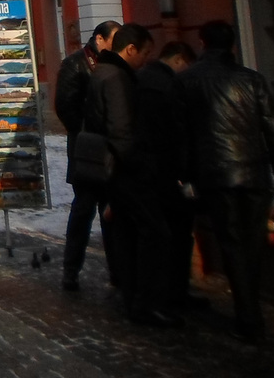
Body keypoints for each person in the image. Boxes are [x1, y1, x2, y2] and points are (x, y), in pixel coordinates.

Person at [180, 20, 274, 343]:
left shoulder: (187, 81)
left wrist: (186, 175)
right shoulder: (252, 80)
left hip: (215, 175)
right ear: (232, 45)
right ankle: (250, 309)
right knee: (252, 242)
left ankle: (248, 315)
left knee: (230, 242)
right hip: (255, 174)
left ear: (202, 42)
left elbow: (182, 134)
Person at [85, 22, 172, 327]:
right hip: (128, 172)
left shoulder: (102, 72)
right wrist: (137, 166)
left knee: (125, 234)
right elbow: (122, 131)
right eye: (145, 52)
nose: (147, 59)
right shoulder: (118, 78)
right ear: (131, 49)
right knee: (155, 233)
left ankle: (132, 296)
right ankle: (146, 303)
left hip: (113, 170)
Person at [57, 18, 121, 291]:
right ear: (99, 39)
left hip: (110, 151)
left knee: (112, 212)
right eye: (114, 40)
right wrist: (85, 134)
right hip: (85, 152)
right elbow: (65, 106)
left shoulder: (113, 65)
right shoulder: (74, 64)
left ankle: (119, 271)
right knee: (83, 211)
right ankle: (71, 269)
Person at [137, 39, 197, 314]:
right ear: (179, 59)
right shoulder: (170, 84)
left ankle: (158, 295)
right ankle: (172, 295)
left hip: (144, 168)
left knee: (155, 236)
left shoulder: (139, 78)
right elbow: (180, 130)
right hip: (168, 171)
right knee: (176, 236)